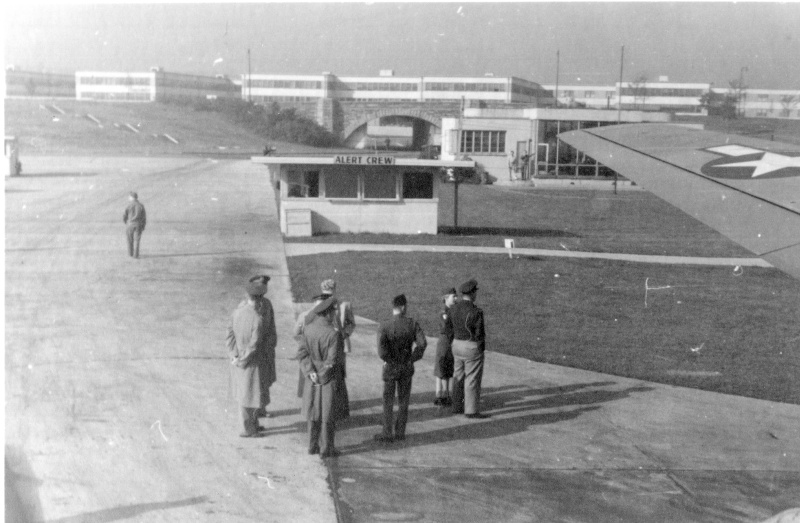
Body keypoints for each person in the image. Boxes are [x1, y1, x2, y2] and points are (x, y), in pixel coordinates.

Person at [226, 280, 277, 437]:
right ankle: (248, 430)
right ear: (260, 298)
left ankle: (253, 425)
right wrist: (243, 360)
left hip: (238, 360)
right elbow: (254, 345)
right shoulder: (257, 319)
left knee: (246, 394)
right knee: (250, 395)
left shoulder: (236, 312)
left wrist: (234, 356)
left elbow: (229, 336)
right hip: (252, 361)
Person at [375, 294, 427, 443]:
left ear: (394, 307)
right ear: (403, 307)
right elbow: (422, 344)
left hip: (391, 367)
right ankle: (400, 432)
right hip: (406, 366)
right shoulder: (412, 324)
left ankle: (387, 433)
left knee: (388, 401)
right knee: (403, 401)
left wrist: (388, 360)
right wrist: (412, 358)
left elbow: (381, 351)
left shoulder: (385, 325)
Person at [297, 296, 343, 458]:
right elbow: (332, 361)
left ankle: (312, 445)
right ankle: (326, 448)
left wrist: (310, 372)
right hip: (328, 378)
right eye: (333, 312)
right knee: (327, 414)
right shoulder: (333, 334)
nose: (334, 314)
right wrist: (322, 376)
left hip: (311, 377)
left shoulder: (308, 329)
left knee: (313, 411)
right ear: (328, 313)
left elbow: (302, 354)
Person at [446, 279, 489, 419]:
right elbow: (480, 334)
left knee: (458, 376)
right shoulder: (476, 311)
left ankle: (456, 406)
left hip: (456, 345)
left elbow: (448, 329)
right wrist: (480, 349)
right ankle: (471, 410)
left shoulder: (453, 308)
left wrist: (453, 343)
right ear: (472, 293)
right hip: (470, 346)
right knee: (472, 379)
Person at [241, 275, 277, 419]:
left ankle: (262, 408)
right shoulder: (244, 306)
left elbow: (272, 324)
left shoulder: (267, 304)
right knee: (254, 383)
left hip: (266, 348)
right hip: (253, 349)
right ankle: (254, 412)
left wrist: (272, 342)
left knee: (265, 381)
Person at [433, 287, 457, 407]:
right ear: (446, 298)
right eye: (453, 296)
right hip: (445, 342)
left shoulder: (450, 311)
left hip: (447, 341)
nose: (456, 298)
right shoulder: (445, 312)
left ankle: (442, 395)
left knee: (444, 368)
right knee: (442, 368)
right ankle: (443, 395)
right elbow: (445, 327)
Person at [123, 191, 146, 258]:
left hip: (130, 224)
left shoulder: (129, 205)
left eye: (129, 197)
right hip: (138, 224)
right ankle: (136, 255)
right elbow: (144, 217)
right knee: (137, 240)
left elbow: (124, 215)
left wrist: (126, 222)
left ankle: (130, 253)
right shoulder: (141, 205)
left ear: (132, 197)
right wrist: (143, 225)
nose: (128, 198)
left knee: (130, 240)